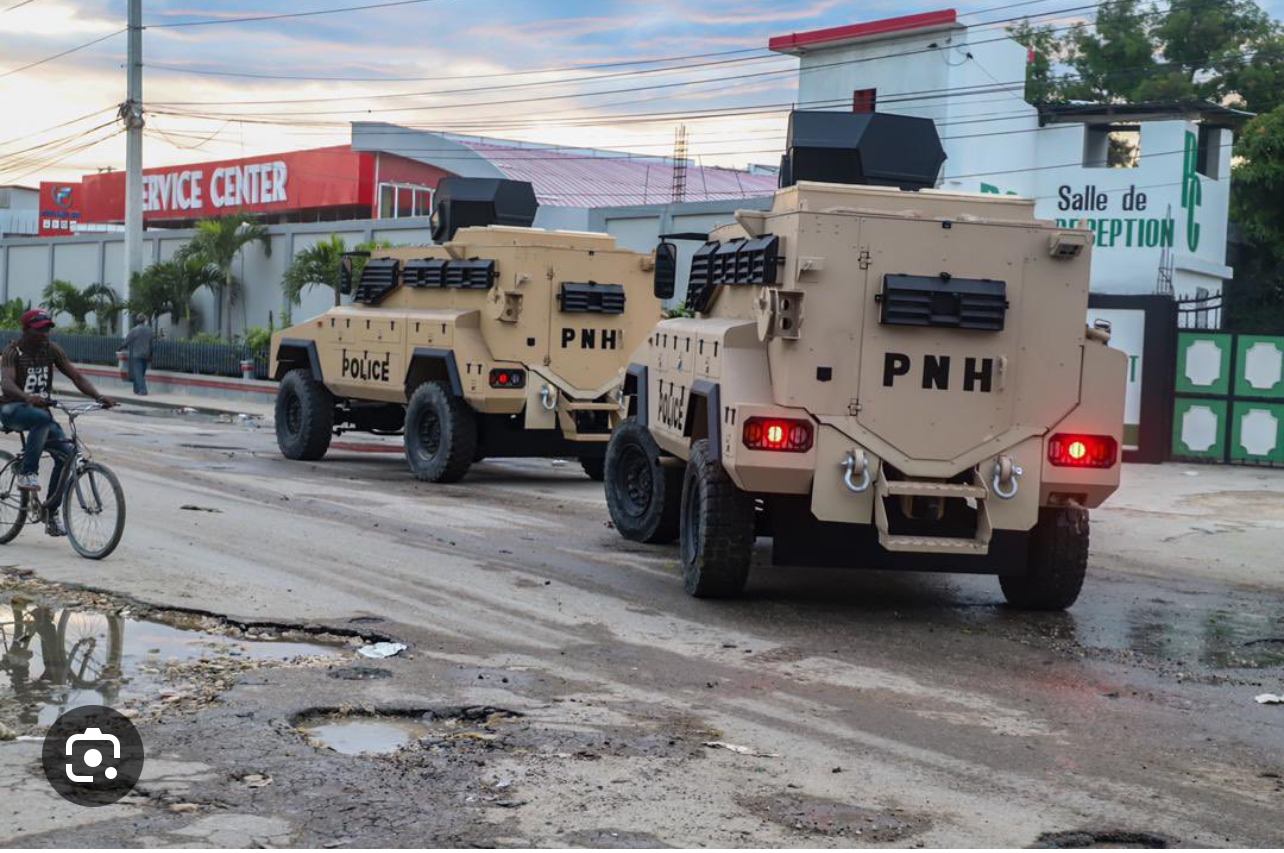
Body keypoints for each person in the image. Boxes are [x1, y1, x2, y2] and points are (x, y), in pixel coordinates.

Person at [0, 309, 114, 537]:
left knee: (66, 454)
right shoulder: (13, 351)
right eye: (39, 329)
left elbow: (77, 377)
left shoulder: (52, 350)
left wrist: (98, 396)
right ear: (26, 330)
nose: (45, 333)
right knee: (41, 418)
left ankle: (50, 513)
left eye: (48, 328)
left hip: (39, 413)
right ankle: (27, 473)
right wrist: (26, 397)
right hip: (12, 408)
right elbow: (6, 383)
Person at [124, 313, 153, 395]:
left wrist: (120, 348)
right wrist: (151, 355)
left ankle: (143, 390)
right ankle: (136, 389)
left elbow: (127, 341)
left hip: (136, 355)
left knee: (138, 373)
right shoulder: (149, 330)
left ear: (137, 320)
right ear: (145, 321)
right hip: (146, 354)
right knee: (141, 373)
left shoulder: (134, 330)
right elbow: (151, 344)